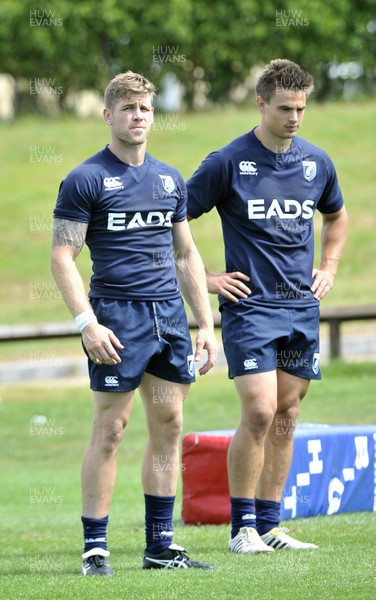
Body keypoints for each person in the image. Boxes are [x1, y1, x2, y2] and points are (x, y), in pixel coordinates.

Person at [51, 71, 217, 575]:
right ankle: (95, 548)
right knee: (112, 429)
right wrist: (86, 323)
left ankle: (160, 547)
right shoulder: (85, 178)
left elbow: (186, 255)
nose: (137, 116)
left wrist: (205, 325)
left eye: (144, 108)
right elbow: (63, 256)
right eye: (127, 109)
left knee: (169, 425)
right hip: (116, 318)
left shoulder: (169, 179)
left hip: (168, 318)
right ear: (108, 115)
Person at [186, 59, 348, 554]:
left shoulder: (317, 162)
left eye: (301, 108)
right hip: (251, 309)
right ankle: (243, 529)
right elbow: (174, 222)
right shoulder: (228, 162)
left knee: (287, 414)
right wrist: (207, 278)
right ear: (261, 104)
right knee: (258, 411)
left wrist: (330, 265)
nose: (295, 117)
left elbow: (337, 217)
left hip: (301, 307)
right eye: (284, 108)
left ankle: (272, 525)